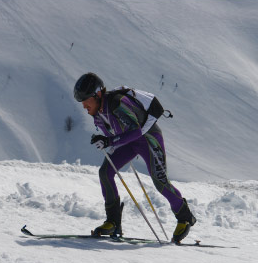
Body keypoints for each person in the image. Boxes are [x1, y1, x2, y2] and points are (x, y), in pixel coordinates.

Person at [73, 73, 196, 243]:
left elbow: (136, 131)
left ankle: (185, 217)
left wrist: (109, 141)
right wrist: (105, 141)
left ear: (98, 94)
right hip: (128, 143)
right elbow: (115, 133)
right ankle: (113, 222)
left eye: (86, 99)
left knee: (160, 182)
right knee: (105, 172)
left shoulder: (117, 103)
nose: (84, 105)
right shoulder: (98, 114)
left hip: (148, 139)